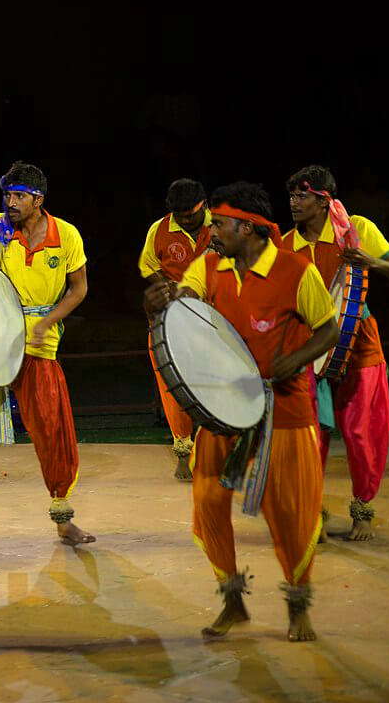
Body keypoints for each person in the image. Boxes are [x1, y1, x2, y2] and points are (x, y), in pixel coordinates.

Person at [144, 181, 338, 642]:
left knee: (290, 512)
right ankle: (232, 601)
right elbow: (186, 302)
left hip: (284, 410)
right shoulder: (209, 266)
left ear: (248, 227)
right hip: (224, 407)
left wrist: (296, 360)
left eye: (220, 223)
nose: (211, 232)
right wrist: (163, 301)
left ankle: (297, 603)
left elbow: (327, 329)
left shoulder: (295, 271)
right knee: (208, 503)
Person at [0, 161, 93, 545]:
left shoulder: (66, 235)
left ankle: (63, 515)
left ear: (38, 199)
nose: (10, 202)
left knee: (53, 427)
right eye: (7, 194)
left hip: (39, 342)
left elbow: (79, 289)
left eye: (18, 196)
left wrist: (48, 321)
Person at [282, 165, 389, 540]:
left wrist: (370, 261)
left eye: (302, 196)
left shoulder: (357, 230)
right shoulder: (286, 244)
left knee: (361, 430)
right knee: (312, 433)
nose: (293, 203)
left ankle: (362, 511)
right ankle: (313, 511)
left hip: (359, 338)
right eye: (291, 196)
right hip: (312, 344)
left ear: (324, 202)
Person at [138, 178, 213, 480]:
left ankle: (217, 450)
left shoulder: (220, 225)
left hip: (214, 315)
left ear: (204, 205)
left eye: (190, 214)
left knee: (214, 384)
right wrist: (168, 287)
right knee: (173, 387)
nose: (183, 219)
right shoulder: (160, 229)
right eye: (178, 214)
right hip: (173, 317)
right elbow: (147, 266)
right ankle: (183, 451)